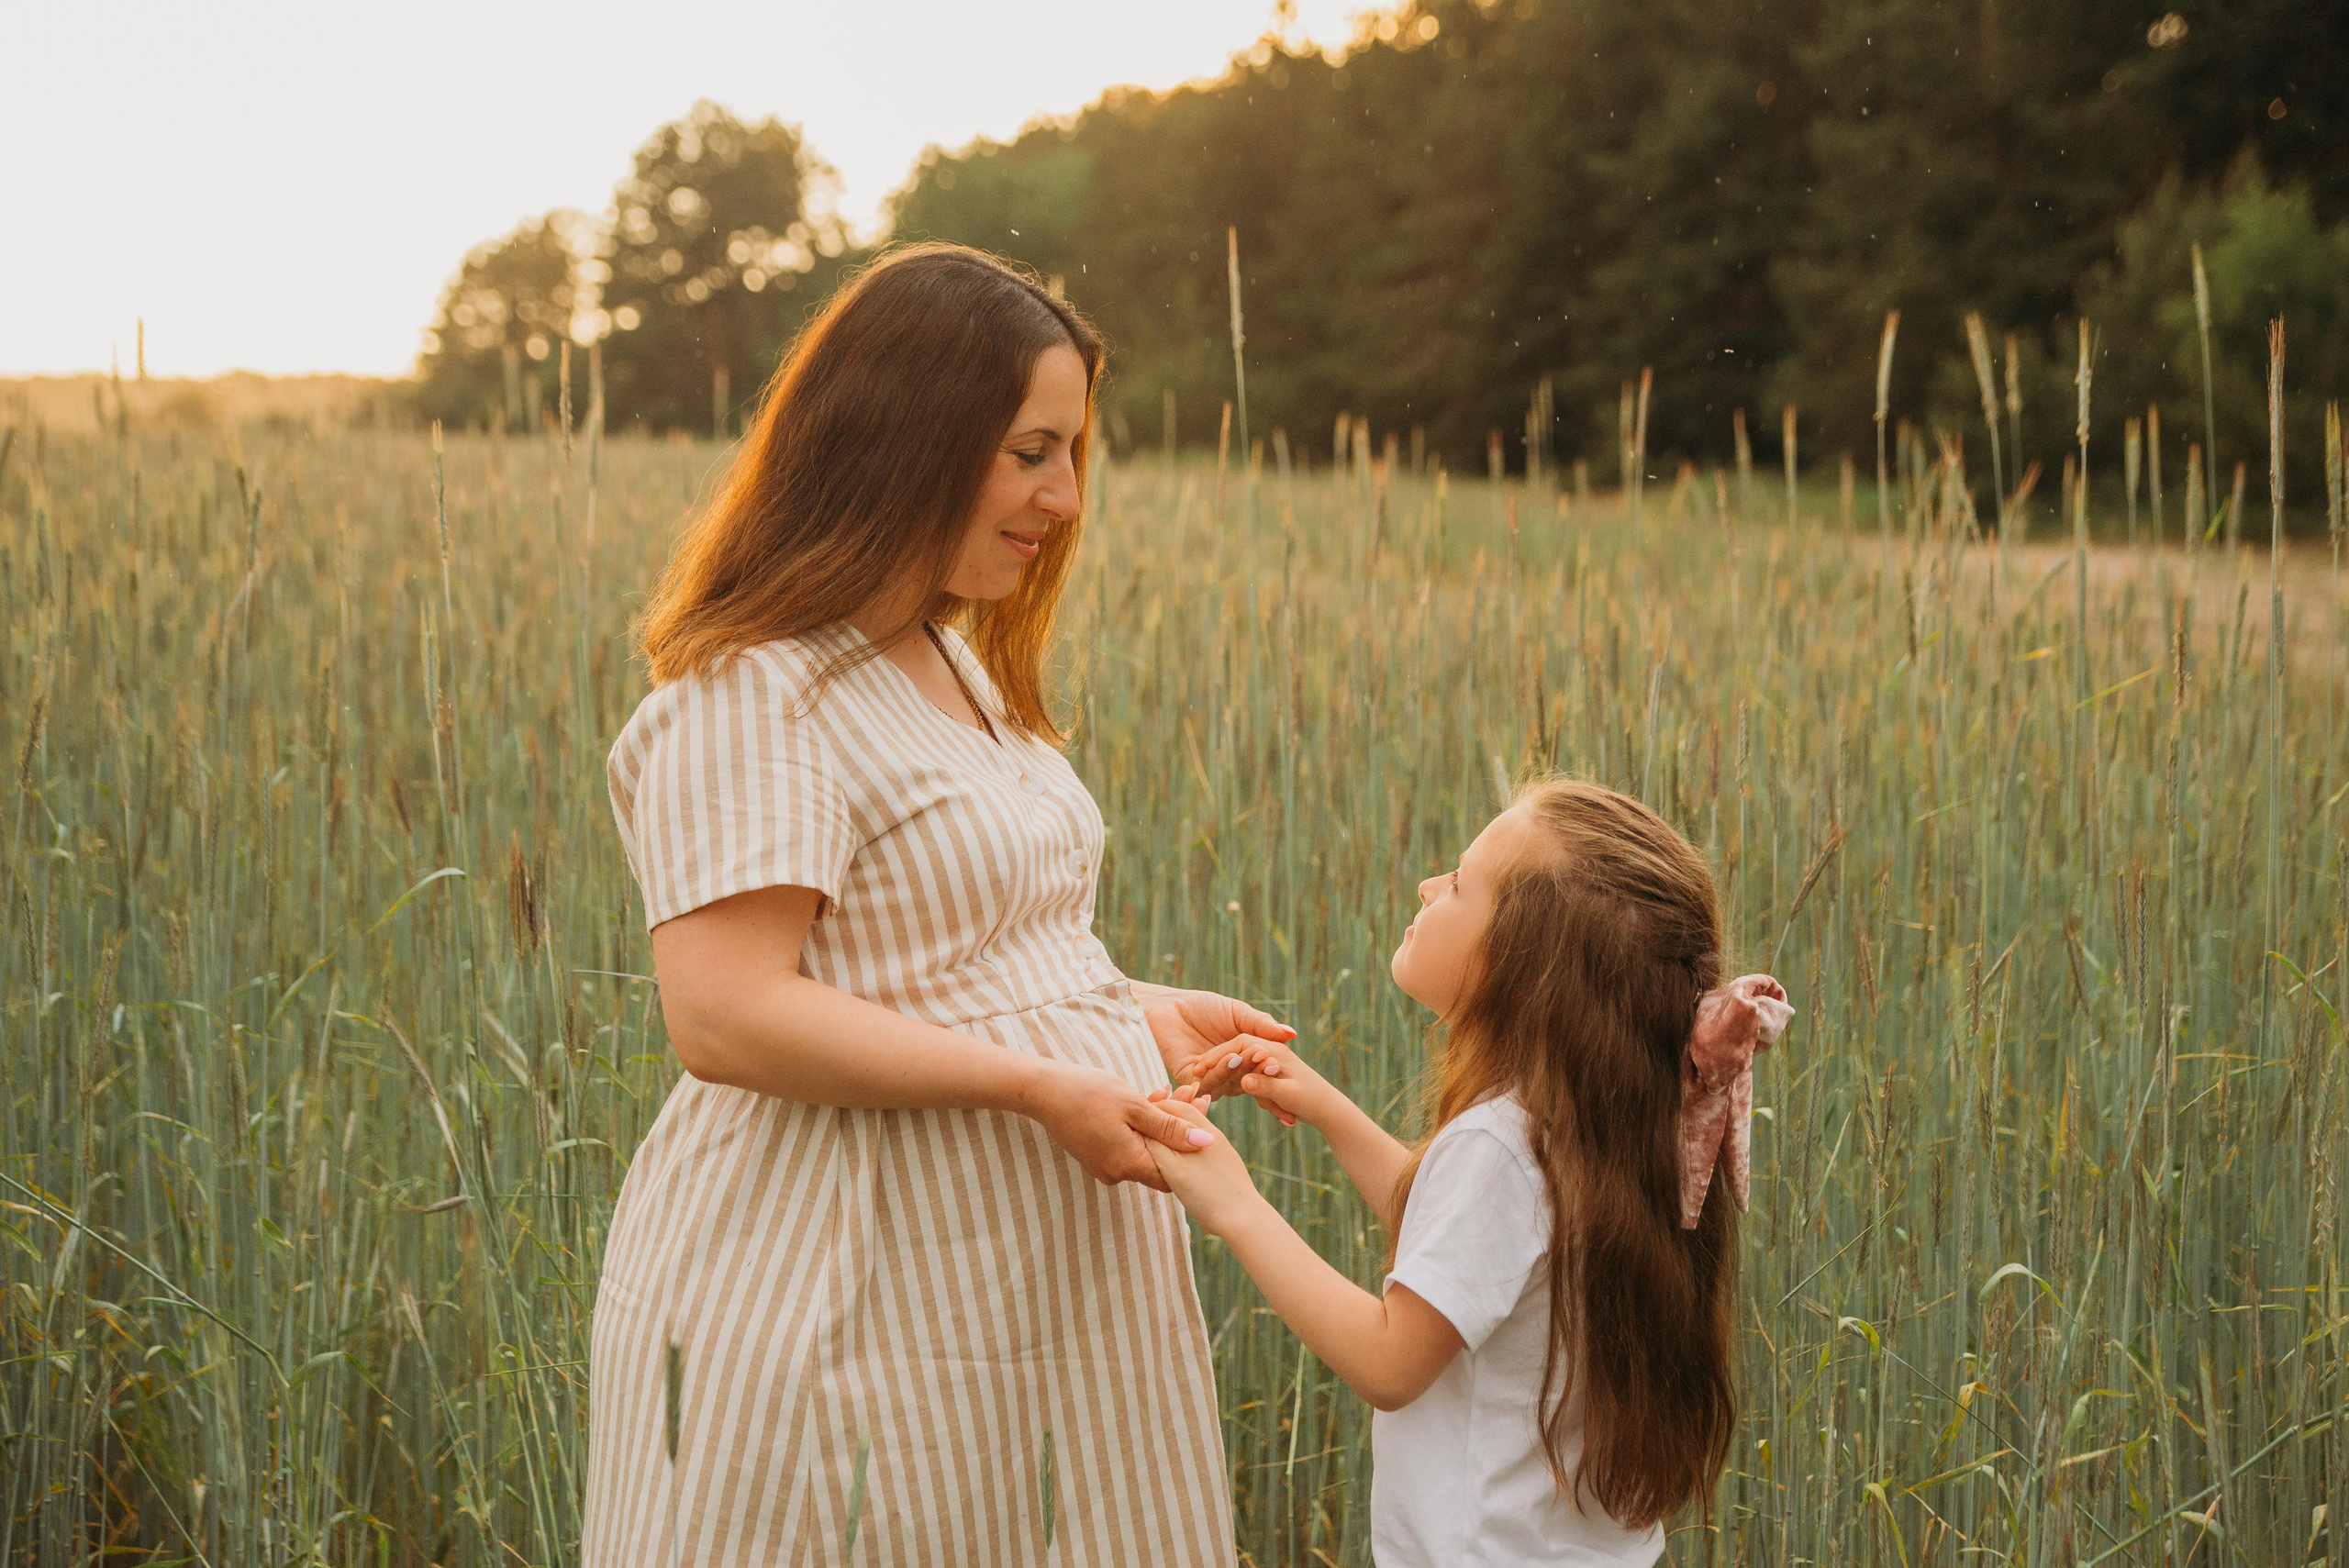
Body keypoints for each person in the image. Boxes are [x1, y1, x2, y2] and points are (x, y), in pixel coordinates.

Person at [586, 242, 1292, 1566]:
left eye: (1072, 454)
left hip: (1017, 1288)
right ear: (911, 435)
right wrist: (1042, 1085)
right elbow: (728, 1016)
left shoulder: (950, 660)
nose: (1066, 497)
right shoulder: (758, 693)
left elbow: (942, 957)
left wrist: (1131, 1014)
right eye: (1032, 451)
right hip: (850, 1288)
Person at [1152, 777, 1792, 1565]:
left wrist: (1234, 1203)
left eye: (1458, 882)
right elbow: (1463, 1252)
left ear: (1523, 968)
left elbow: (1392, 1359)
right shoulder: (1606, 1124)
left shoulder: (1502, 1144)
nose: (1427, 887)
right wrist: (1325, 1105)